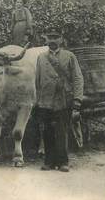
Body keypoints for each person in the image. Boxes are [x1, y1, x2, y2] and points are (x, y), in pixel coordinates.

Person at [35, 27, 84, 172]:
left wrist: (77, 100)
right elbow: (37, 81)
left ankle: (63, 162)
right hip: (45, 101)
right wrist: (38, 100)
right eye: (49, 37)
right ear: (46, 40)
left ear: (61, 39)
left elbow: (77, 78)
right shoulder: (41, 57)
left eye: (55, 37)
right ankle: (49, 162)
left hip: (63, 99)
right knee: (47, 131)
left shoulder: (69, 56)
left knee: (61, 131)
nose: (52, 40)